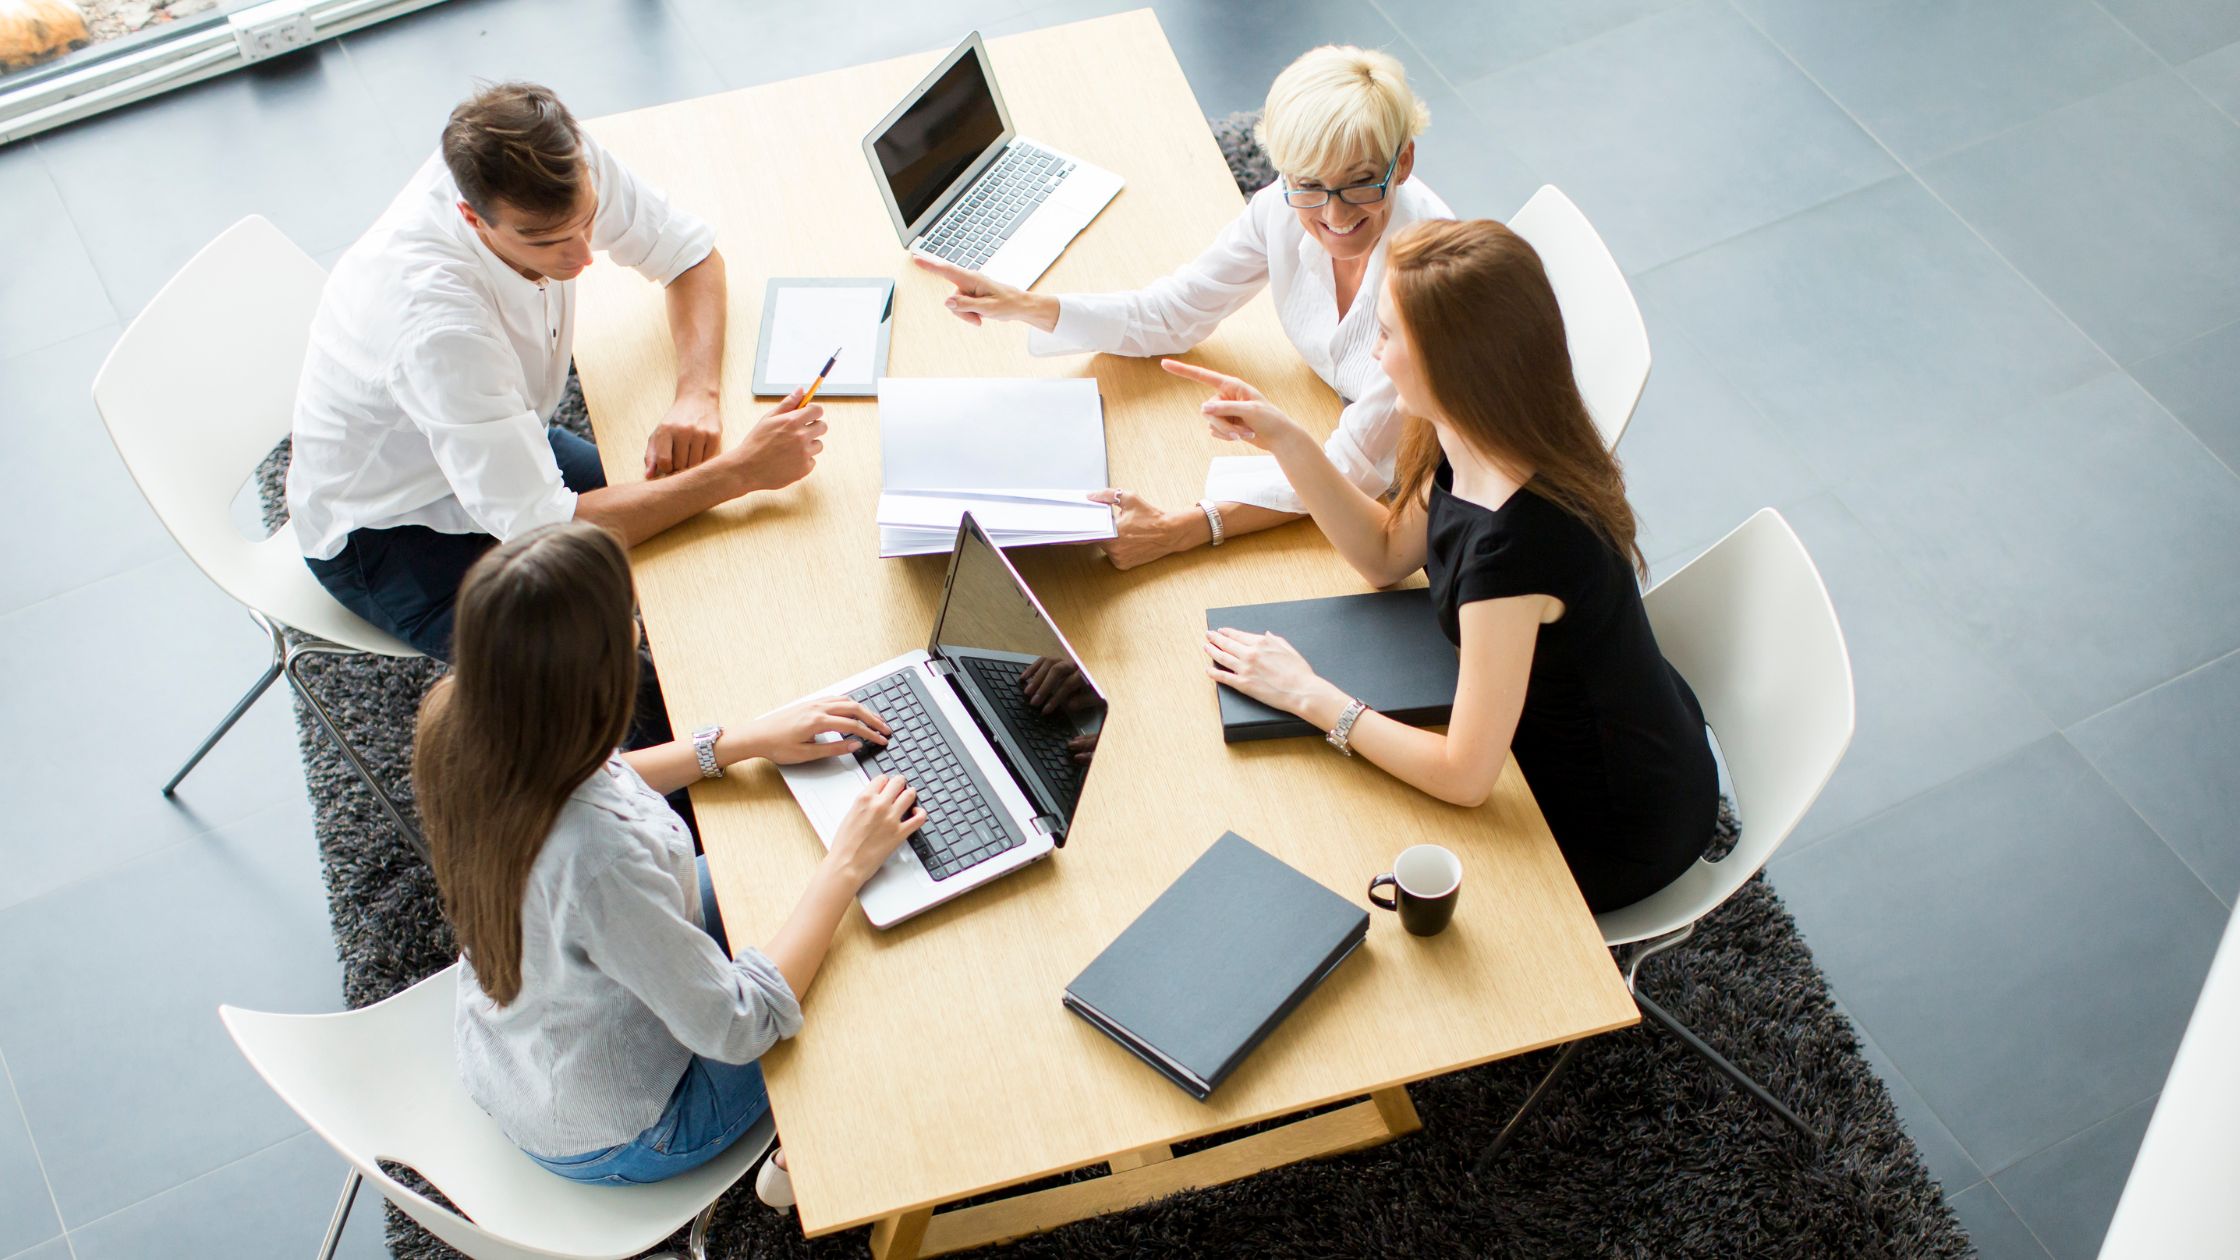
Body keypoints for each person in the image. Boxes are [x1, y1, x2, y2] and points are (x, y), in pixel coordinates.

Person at [1172, 220, 1717, 914]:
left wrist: (1310, 696)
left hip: (1606, 822)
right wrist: (1283, 438)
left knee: (1331, 843)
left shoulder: (1514, 550)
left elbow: (1466, 778)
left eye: (1388, 334)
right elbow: (1384, 556)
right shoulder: (1474, 435)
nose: (1374, 350)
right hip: (1588, 724)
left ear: (1450, 362)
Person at [416, 520, 921, 1192]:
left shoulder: (465, 718)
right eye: (628, 623)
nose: (637, 632)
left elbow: (597, 778)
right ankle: (815, 1163)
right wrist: (848, 863)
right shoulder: (603, 858)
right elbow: (741, 1025)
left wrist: (738, 742)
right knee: (867, 962)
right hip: (629, 1129)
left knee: (776, 871)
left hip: (520, 1054)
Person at [287, 81, 828, 661]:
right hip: (391, 531)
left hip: (508, 434)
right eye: (547, 241)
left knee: (698, 539)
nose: (583, 256)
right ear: (472, 218)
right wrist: (741, 471)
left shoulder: (560, 158)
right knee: (606, 686)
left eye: (587, 221)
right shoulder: (439, 329)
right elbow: (544, 530)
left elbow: (689, 255)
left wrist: (697, 393)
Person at [915, 45, 1452, 569]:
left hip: (1424, 477)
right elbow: (1173, 312)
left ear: (1403, 161)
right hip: (1327, 416)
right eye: (1309, 184)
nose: (1334, 215)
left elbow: (1353, 468)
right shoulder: (1282, 206)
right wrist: (1025, 305)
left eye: (1359, 183)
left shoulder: (1430, 287)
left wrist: (1185, 527)